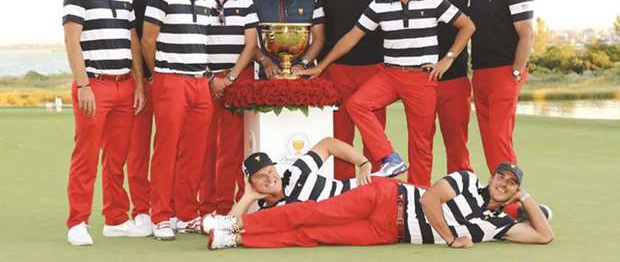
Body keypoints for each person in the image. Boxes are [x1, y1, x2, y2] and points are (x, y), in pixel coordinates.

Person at [301, 0, 476, 187]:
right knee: (356, 104)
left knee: (421, 143)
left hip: (421, 79)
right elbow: (351, 37)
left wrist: (448, 58)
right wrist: (321, 65)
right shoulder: (380, 4)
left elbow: (467, 26)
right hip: (391, 74)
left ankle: (419, 197)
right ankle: (389, 157)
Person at [206, 162, 554, 249]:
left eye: (512, 184)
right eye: (502, 176)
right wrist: (450, 238)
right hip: (387, 197)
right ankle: (236, 224)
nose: (503, 183)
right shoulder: (466, 179)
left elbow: (545, 236)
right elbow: (432, 200)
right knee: (312, 212)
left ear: (515, 196)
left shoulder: (497, 226)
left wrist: (527, 198)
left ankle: (235, 240)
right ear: (493, 175)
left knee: (311, 235)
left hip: (387, 232)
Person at [63, 0, 147, 246]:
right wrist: (83, 85)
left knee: (117, 158)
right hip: (94, 86)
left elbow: (132, 41)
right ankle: (78, 222)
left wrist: (139, 84)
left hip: (124, 86)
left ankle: (115, 219)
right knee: (86, 157)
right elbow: (72, 41)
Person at [142, 0, 213, 240]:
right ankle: (160, 215)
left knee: (194, 153)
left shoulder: (207, 0)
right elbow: (148, 41)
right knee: (167, 150)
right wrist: (159, 73)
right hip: (171, 80)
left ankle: (185, 213)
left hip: (200, 83)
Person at [313, 0, 391, 179]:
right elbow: (322, 30)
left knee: (374, 133)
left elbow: (388, 24)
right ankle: (342, 192)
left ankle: (376, 190)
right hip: (338, 69)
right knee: (341, 135)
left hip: (374, 69)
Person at [199, 0, 259, 215]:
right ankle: (204, 205)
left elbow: (251, 44)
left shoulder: (245, 1)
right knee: (205, 146)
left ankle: (225, 206)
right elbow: (195, 42)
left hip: (238, 78)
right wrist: (213, 77)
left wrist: (231, 76)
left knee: (232, 149)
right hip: (206, 80)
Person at [468, 0, 534, 174]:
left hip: (505, 71)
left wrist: (516, 71)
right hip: (481, 72)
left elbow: (527, 36)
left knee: (499, 137)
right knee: (489, 138)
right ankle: (498, 194)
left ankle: (512, 200)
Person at [122, 0, 170, 233]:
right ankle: (141, 209)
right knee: (138, 148)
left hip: (171, 79)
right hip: (139, 79)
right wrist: (141, 80)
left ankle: (168, 207)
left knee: (168, 147)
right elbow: (133, 41)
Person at [207, 137, 373, 220]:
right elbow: (226, 228)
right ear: (251, 184)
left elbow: (328, 144)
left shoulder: (296, 173)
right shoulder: (266, 213)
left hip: (368, 189)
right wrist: (247, 197)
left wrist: (364, 163)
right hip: (358, 216)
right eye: (260, 176)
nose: (269, 177)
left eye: (271, 170)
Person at [419, 0, 473, 174]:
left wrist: (449, 58)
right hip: (421, 83)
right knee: (421, 144)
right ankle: (418, 194)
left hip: (454, 80)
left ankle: (460, 196)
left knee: (457, 144)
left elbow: (471, 30)